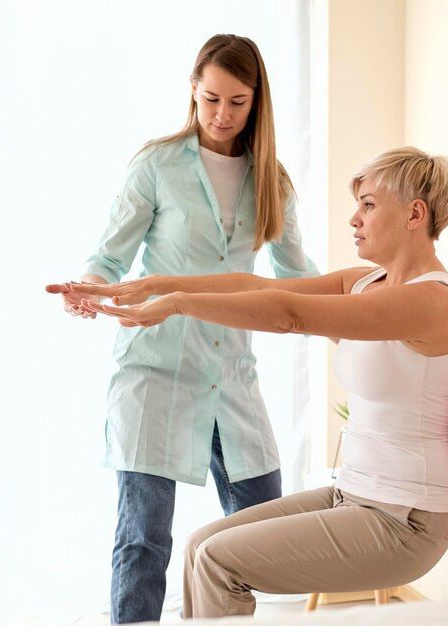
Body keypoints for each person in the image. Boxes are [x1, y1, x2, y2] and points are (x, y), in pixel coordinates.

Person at [55, 146, 448, 619]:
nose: (355, 218)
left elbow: (288, 315)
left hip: (406, 520)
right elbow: (257, 288)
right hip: (354, 494)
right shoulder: (366, 283)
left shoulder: (432, 302)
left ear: (416, 213)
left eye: (369, 205)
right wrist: (157, 286)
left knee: (217, 562)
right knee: (200, 545)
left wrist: (176, 306)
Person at [46, 34, 317, 624]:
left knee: (266, 529)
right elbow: (110, 259)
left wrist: (367, 300)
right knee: (144, 542)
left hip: (231, 378)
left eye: (237, 102)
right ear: (192, 89)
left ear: (257, 102)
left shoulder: (273, 180)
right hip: (155, 374)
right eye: (211, 98)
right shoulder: (156, 165)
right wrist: (87, 288)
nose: (221, 115)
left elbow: (300, 277)